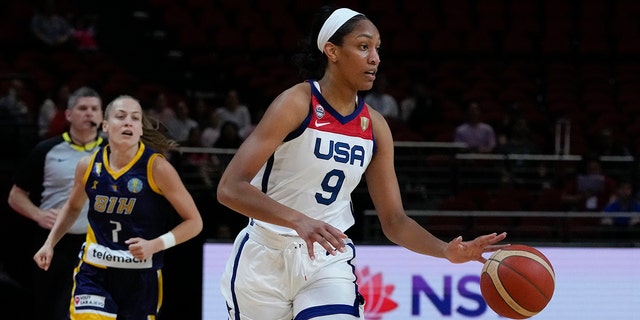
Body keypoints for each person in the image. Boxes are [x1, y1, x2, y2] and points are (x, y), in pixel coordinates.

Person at [216, 7, 508, 319]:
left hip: (327, 261)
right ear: (332, 51)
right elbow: (229, 188)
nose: (375, 58)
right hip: (265, 256)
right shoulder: (296, 103)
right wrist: (298, 221)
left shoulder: (376, 126)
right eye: (363, 46)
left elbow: (395, 221)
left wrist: (445, 251)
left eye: (378, 48)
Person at [32, 95, 203, 319]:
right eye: (120, 117)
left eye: (135, 118)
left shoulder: (157, 168)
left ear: (141, 129)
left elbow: (195, 222)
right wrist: (49, 243)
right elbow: (73, 207)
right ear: (105, 126)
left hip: (141, 276)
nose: (128, 122)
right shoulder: (88, 165)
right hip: (95, 269)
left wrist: (156, 244)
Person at [8, 86, 105, 320]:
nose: (89, 113)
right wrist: (38, 215)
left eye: (95, 109)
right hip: (54, 243)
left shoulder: (113, 152)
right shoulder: (47, 149)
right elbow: (15, 195)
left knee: (88, 311)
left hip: (96, 245)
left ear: (102, 116)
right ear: (69, 115)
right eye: (83, 108)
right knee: (50, 309)